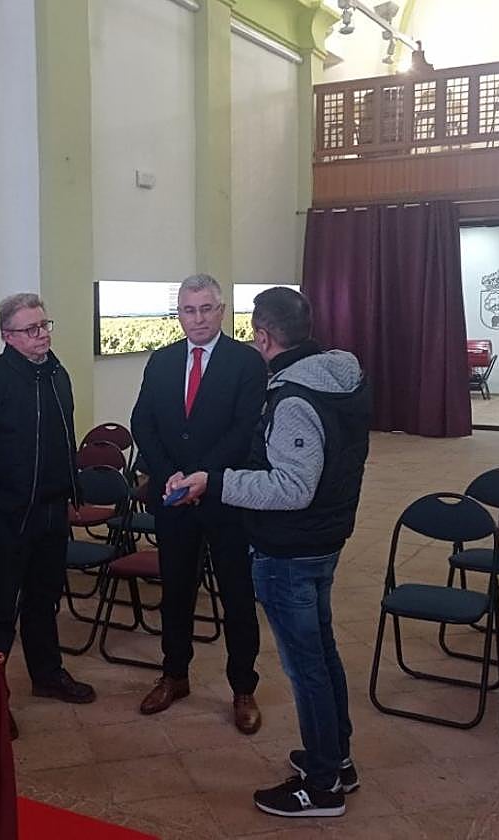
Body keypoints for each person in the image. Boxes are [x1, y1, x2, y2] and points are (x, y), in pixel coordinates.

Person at [169, 286, 371, 819]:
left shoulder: (297, 399)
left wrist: (215, 481)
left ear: (262, 335)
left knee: (307, 667)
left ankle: (323, 786)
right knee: (322, 655)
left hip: (293, 547)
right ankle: (337, 759)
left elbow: (291, 487)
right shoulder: (338, 378)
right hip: (322, 539)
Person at [0, 293, 96, 740]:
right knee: (0, 605)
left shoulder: (56, 374)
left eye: (45, 324)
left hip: (53, 508)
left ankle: (47, 674)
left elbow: (64, 435)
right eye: (31, 329)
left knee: (44, 598)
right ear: (8, 336)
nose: (42, 334)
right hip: (8, 512)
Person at [130, 274, 267, 734]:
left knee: (236, 597)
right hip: (173, 498)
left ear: (221, 310)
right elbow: (143, 422)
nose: (198, 319)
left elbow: (246, 429)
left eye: (206, 309)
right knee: (176, 593)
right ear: (179, 314)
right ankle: (174, 675)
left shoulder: (246, 363)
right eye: (189, 310)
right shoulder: (163, 361)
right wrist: (168, 471)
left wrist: (202, 477)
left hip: (225, 497)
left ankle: (243, 687)